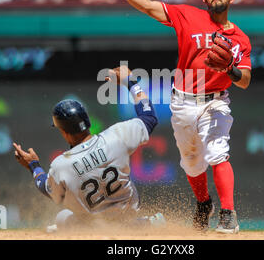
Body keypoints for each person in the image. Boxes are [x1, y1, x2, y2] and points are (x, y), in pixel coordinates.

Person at [100, 0, 252, 234]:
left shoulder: (240, 38)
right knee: (192, 164)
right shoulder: (187, 15)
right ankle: (204, 204)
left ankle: (228, 214)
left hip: (215, 101)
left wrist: (230, 69)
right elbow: (147, 5)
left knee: (218, 153)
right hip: (182, 102)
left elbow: (245, 81)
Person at [13, 65, 165, 230]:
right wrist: (131, 83)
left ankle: (129, 226)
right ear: (87, 121)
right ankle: (140, 224)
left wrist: (33, 165)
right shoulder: (117, 136)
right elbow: (149, 117)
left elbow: (45, 188)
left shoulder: (61, 165)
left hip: (96, 224)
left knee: (62, 218)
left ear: (64, 132)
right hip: (129, 211)